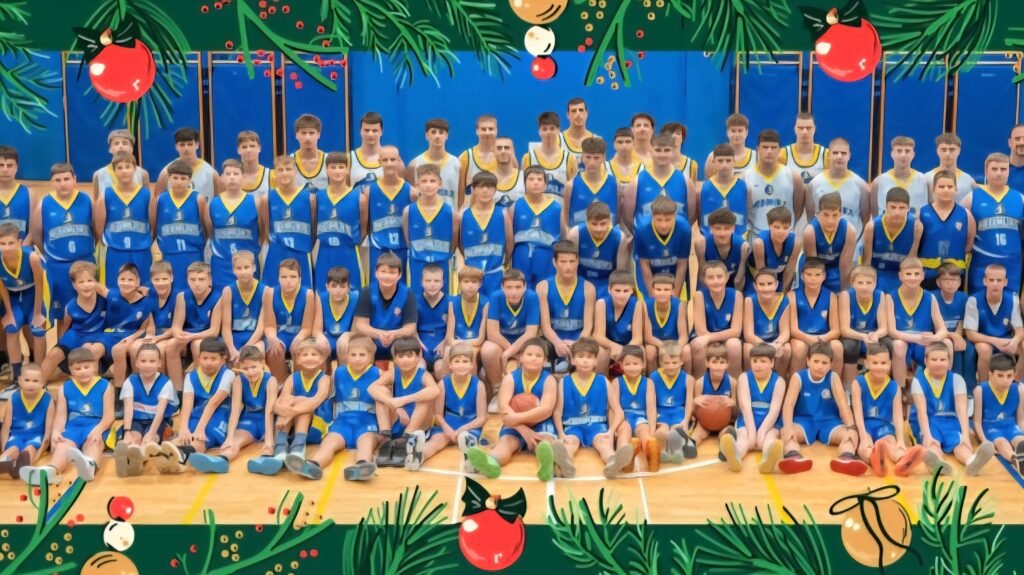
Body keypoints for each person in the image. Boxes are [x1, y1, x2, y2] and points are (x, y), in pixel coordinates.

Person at [464, 338, 558, 480]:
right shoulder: (510, 378)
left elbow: (546, 410)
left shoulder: (549, 380)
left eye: (538, 356)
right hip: (515, 424)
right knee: (506, 443)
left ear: (545, 361)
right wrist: (522, 428)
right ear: (521, 358)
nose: (533, 358)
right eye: (529, 354)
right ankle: (491, 462)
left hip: (539, 421)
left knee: (545, 442)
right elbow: (504, 408)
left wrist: (516, 419)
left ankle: (546, 466)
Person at [20, 349, 114, 485]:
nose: (82, 371)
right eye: (78, 369)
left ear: (95, 367)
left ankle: (89, 466)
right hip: (74, 426)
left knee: (95, 443)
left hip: (97, 424)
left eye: (86, 367)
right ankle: (50, 471)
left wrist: (98, 430)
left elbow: (109, 416)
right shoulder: (64, 388)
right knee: (62, 445)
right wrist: (56, 431)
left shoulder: (105, 386)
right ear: (70, 370)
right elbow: (61, 416)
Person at [294, 335, 382, 481]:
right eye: (353, 354)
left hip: (367, 423)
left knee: (366, 443)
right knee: (328, 443)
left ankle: (362, 466)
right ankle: (313, 464)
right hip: (342, 422)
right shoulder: (338, 373)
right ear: (346, 355)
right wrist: (321, 424)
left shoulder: (378, 374)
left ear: (371, 357)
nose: (357, 358)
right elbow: (327, 400)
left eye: (362, 355)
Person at [550, 338, 634, 478]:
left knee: (604, 444)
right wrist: (561, 433)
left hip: (597, 426)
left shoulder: (603, 381)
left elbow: (618, 410)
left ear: (596, 361)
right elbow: (557, 412)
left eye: (589, 357)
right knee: (570, 443)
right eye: (581, 356)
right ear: (573, 360)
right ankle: (566, 463)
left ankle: (613, 463)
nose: (585, 361)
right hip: (573, 426)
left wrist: (611, 430)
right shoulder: (564, 382)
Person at [778, 342, 866, 475]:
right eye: (816, 361)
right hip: (804, 422)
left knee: (849, 434)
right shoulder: (798, 377)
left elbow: (843, 405)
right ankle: (793, 457)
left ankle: (847, 458)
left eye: (824, 363)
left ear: (830, 364)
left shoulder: (833, 377)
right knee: (788, 433)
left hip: (829, 422)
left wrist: (851, 427)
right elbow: (788, 406)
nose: (820, 366)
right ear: (808, 361)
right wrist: (788, 426)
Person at [909, 343, 995, 476]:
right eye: (934, 359)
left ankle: (971, 461)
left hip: (949, 420)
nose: (939, 363)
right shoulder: (918, 381)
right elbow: (921, 412)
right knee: (933, 444)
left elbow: (962, 410)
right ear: (926, 361)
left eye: (942, 359)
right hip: (927, 421)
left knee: (960, 444)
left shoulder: (957, 379)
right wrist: (927, 436)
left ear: (949, 362)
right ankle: (936, 463)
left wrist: (965, 435)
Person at [32, 163, 95, 323]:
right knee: (63, 316)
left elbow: (97, 230)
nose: (62, 183)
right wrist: (50, 254)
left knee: (90, 310)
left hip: (85, 262)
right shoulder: (44, 204)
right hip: (57, 266)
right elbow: (37, 236)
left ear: (75, 179)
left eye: (66, 179)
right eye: (58, 180)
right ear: (51, 182)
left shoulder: (87, 200)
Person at [852, 344, 925, 476]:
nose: (879, 367)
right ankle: (875, 460)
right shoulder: (858, 383)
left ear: (890, 364)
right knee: (865, 446)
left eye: (883, 363)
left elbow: (898, 416)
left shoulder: (894, 387)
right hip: (865, 426)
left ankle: (903, 461)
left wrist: (901, 441)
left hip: (884, 426)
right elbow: (857, 413)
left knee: (891, 444)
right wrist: (862, 436)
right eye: (875, 363)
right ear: (866, 364)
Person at [368, 337, 440, 468]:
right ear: (395, 359)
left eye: (409, 355)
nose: (405, 360)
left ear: (418, 357)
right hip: (399, 419)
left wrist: (403, 400)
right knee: (381, 392)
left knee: (425, 397)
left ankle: (408, 437)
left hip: (419, 423)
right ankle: (385, 437)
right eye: (401, 356)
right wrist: (391, 402)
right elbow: (371, 388)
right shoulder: (394, 373)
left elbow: (435, 391)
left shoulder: (423, 374)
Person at [418, 342, 487, 471]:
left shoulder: (479, 385)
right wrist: (447, 429)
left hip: (469, 425)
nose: (461, 365)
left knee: (466, 438)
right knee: (436, 441)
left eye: (465, 361)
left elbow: (481, 418)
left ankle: (472, 460)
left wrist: (461, 430)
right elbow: (438, 415)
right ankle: (418, 456)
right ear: (450, 364)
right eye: (457, 361)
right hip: (447, 424)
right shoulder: (443, 384)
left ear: (472, 365)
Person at [719, 343, 784, 474]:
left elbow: (775, 410)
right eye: (754, 361)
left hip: (770, 421)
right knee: (744, 437)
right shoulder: (744, 378)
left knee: (769, 438)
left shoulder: (779, 381)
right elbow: (745, 407)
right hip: (748, 419)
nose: (758, 365)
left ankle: (768, 460)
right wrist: (752, 432)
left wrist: (762, 432)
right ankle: (735, 457)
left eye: (763, 361)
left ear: (772, 363)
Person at [114, 344, 177, 476]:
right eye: (143, 361)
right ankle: (127, 457)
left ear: (159, 363)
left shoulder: (166, 383)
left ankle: (139, 461)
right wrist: (127, 432)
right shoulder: (130, 382)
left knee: (149, 442)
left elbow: (160, 413)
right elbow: (128, 409)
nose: (147, 365)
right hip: (136, 421)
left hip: (157, 422)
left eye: (152, 361)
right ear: (136, 363)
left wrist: (151, 433)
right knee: (133, 439)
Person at [171, 338, 234, 467]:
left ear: (223, 359)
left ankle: (181, 457)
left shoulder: (228, 374)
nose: (208, 362)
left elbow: (214, 403)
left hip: (218, 416)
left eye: (213, 359)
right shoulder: (190, 376)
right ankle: (162, 454)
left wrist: (200, 429)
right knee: (182, 438)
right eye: (205, 358)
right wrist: (183, 427)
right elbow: (187, 403)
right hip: (197, 415)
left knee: (199, 440)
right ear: (199, 358)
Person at [888, 257, 950, 387]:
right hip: (904, 341)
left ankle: (942, 387)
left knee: (947, 343)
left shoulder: (930, 297)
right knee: (898, 345)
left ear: (923, 276)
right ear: (900, 276)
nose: (913, 277)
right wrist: (917, 338)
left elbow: (943, 329)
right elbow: (892, 331)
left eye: (917, 274)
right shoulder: (890, 297)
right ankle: (899, 389)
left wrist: (934, 338)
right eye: (908, 274)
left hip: (924, 343)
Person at [964, 153, 1023, 292]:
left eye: (1003, 169)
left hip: (1012, 264)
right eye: (994, 169)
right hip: (981, 262)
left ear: (1008, 171)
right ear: (986, 171)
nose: (999, 173)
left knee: (1010, 303)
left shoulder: (1020, 198)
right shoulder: (972, 197)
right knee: (978, 301)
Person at [40, 262, 107, 382]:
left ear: (96, 282)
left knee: (91, 353)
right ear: (74, 285)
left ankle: (93, 387)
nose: (86, 285)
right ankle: (37, 386)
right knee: (53, 354)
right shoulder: (70, 306)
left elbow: (121, 304)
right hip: (77, 334)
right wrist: (60, 347)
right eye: (81, 282)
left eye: (90, 280)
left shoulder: (105, 300)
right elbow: (65, 327)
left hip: (99, 336)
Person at [273, 340, 332, 476]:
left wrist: (291, 412)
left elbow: (315, 402)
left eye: (313, 354)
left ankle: (298, 449)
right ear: (297, 359)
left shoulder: (325, 379)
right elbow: (279, 403)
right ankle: (281, 448)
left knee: (301, 403)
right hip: (292, 420)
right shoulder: (293, 377)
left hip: (316, 422)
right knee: (287, 400)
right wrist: (284, 408)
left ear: (322, 359)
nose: (309, 357)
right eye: (305, 355)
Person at [481, 269, 540, 403]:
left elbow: (531, 333)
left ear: (525, 286)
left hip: (525, 342)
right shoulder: (496, 297)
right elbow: (492, 333)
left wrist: (510, 352)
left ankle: (525, 394)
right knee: (488, 350)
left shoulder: (532, 297)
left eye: (518, 287)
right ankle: (497, 390)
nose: (514, 292)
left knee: (534, 350)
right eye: (509, 287)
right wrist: (510, 350)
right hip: (501, 342)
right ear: (502, 287)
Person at [96, 151, 153, 289]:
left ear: (135, 169)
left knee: (143, 288)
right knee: (115, 288)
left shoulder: (147, 194)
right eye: (120, 168)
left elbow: (153, 225)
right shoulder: (105, 195)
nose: (124, 171)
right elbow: (99, 229)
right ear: (114, 171)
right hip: (115, 250)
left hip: (141, 249)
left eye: (128, 167)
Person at [537, 241, 596, 369]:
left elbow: (588, 326)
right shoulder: (543, 287)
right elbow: (545, 326)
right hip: (552, 340)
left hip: (579, 339)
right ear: (554, 262)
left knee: (599, 352)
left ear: (578, 261)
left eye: (572, 261)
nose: (568, 266)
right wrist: (557, 343)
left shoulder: (588, 288)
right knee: (536, 350)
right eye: (563, 262)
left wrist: (577, 344)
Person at [208, 159, 264, 290]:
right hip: (221, 265)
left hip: (248, 266)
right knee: (222, 300)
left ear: (243, 177)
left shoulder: (256, 202)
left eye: (236, 173)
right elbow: (208, 232)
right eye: (228, 174)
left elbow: (263, 233)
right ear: (221, 178)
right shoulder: (212, 204)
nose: (232, 177)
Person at [152, 159, 206, 293]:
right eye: (175, 178)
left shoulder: (198, 199)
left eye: (183, 178)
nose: (179, 182)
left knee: (195, 290)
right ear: (169, 178)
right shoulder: (160, 199)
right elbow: (153, 228)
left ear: (189, 181)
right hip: (169, 255)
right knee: (171, 292)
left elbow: (206, 228)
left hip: (194, 254)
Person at [0, 222, 45, 379]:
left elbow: (40, 286)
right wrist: (9, 313)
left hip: (34, 295)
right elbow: (2, 290)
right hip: (12, 296)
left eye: (11, 243)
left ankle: (39, 374)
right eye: (2, 244)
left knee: (38, 329)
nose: (7, 247)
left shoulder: (32, 257)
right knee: (11, 328)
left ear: (19, 242)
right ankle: (17, 376)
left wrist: (38, 313)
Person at [262, 156, 314, 290]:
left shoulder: (310, 198)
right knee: (272, 292)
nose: (285, 173)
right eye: (280, 170)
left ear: (295, 171)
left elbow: (314, 230)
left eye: (288, 169)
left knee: (304, 293)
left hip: (301, 253)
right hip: (276, 252)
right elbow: (265, 230)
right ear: (275, 173)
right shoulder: (267, 198)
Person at [353, 253, 418, 361]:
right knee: (353, 345)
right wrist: (379, 334)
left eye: (392, 273)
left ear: (399, 275)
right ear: (376, 273)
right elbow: (360, 325)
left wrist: (393, 335)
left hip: (397, 340)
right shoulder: (367, 292)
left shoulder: (408, 293)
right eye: (383, 271)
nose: (387, 276)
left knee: (408, 350)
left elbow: (410, 328)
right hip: (372, 338)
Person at [964, 264, 1023, 382]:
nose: (995, 284)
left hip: (1005, 339)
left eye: (999, 280)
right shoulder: (973, 300)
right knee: (985, 350)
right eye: (991, 280)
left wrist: (1015, 341)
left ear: (1005, 282)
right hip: (984, 339)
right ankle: (984, 386)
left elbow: (1020, 330)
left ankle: (1015, 383)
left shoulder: (1013, 300)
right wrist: (996, 341)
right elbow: (970, 334)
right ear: (984, 281)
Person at [168, 262, 223, 386]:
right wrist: (178, 334)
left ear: (209, 280)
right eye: (192, 280)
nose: (196, 283)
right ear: (187, 280)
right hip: (188, 334)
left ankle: (200, 386)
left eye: (201, 279)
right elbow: (176, 326)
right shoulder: (182, 296)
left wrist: (191, 336)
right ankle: (178, 389)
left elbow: (214, 331)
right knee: (171, 345)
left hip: (209, 336)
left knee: (197, 344)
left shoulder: (218, 298)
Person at [315, 152, 364, 288]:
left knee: (352, 292)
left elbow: (364, 227)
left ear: (348, 170)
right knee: (322, 293)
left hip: (349, 252)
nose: (337, 171)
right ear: (326, 170)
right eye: (333, 167)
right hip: (324, 253)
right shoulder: (317, 197)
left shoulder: (359, 197)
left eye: (341, 167)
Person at [457, 171, 510, 297]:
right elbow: (458, 244)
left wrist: (504, 263)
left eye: (489, 186)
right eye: (481, 186)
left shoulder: (503, 214)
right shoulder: (462, 215)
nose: (485, 190)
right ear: (473, 189)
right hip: (471, 278)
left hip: (495, 275)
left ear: (495, 190)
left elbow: (509, 245)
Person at [622, 134, 691, 231]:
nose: (662, 154)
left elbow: (692, 216)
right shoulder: (636, 182)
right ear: (651, 151)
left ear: (673, 152)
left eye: (667, 150)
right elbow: (628, 218)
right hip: (645, 238)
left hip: (677, 238)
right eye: (658, 150)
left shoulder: (686, 181)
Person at [102, 263, 156, 387]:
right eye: (122, 279)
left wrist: (133, 338)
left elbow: (146, 327)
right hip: (113, 334)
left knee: (122, 349)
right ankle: (119, 388)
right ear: (117, 280)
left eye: (130, 280)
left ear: (138, 282)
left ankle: (138, 386)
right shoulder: (112, 294)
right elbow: (97, 287)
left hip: (136, 335)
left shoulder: (146, 301)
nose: (126, 283)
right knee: (113, 350)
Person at [919, 169, 974, 290]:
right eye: (941, 186)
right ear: (933, 189)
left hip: (955, 274)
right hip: (927, 273)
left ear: (956, 189)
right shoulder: (922, 213)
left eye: (950, 187)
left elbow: (969, 245)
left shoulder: (966, 214)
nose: (945, 190)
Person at [789, 258, 844, 376]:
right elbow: (793, 329)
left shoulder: (832, 296)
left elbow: (836, 330)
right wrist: (809, 339)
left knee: (837, 347)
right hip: (801, 337)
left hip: (823, 337)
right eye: (809, 275)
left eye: (817, 275)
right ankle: (796, 382)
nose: (813, 278)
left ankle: (834, 383)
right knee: (799, 348)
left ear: (824, 276)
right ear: (802, 276)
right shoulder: (792, 295)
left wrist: (821, 339)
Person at [862, 187, 923, 292]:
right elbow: (867, 264)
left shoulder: (916, 227)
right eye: (893, 207)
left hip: (902, 275)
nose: (897, 212)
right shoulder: (871, 227)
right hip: (876, 273)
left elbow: (911, 263)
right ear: (885, 207)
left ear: (908, 208)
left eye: (902, 208)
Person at [807, 137, 870, 240]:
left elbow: (866, 219)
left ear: (849, 156)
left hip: (852, 243)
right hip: (821, 244)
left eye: (843, 153)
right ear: (829, 155)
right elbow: (810, 217)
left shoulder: (861, 186)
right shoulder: (814, 184)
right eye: (835, 153)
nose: (839, 156)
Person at [404, 163, 454, 293]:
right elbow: (408, 241)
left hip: (442, 262)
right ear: (417, 185)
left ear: (440, 184)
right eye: (424, 181)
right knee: (416, 298)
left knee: (442, 298)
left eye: (432, 181)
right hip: (417, 262)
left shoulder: (450, 212)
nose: (428, 185)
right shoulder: (409, 211)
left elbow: (454, 243)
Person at [973, 353, 1024, 476]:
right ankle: (1015, 460)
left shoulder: (1019, 389)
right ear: (990, 374)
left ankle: (1020, 456)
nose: (1005, 380)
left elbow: (1021, 419)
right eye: (1000, 375)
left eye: (1009, 376)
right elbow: (977, 422)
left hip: (1011, 426)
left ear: (1014, 375)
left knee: (1020, 440)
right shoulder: (980, 390)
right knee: (1002, 443)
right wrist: (985, 441)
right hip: (991, 428)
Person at [745, 129, 803, 236]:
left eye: (773, 147)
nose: (769, 151)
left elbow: (798, 211)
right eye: (765, 147)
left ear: (779, 150)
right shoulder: (745, 178)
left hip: (784, 236)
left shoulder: (794, 177)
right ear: (758, 149)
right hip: (755, 235)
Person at [265, 259, 316, 383]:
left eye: (293, 277)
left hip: (300, 334)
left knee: (302, 348)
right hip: (280, 335)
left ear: (300, 278)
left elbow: (307, 327)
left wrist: (299, 339)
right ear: (278, 278)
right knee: (274, 350)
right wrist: (272, 338)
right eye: (284, 277)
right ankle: (280, 383)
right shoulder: (270, 293)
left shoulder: (308, 295)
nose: (288, 281)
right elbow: (269, 326)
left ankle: (300, 383)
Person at [839, 266, 891, 385]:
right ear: (852, 283)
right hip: (854, 337)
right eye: (860, 283)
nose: (864, 287)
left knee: (889, 344)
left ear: (875, 284)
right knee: (849, 346)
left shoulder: (880, 295)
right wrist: (863, 337)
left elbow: (884, 328)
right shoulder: (846, 296)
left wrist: (876, 335)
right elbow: (845, 330)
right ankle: (848, 387)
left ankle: (885, 385)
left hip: (872, 336)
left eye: (868, 283)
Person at [691, 261, 743, 378]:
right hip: (705, 335)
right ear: (704, 280)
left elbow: (736, 331)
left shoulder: (737, 295)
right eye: (710, 277)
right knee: (699, 345)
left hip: (726, 338)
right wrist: (708, 339)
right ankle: (701, 383)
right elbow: (701, 331)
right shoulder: (699, 295)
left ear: (727, 277)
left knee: (734, 345)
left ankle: (733, 383)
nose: (715, 281)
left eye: (719, 277)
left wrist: (709, 337)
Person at [510, 166, 561, 286]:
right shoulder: (515, 207)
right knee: (521, 290)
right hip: (521, 255)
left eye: (539, 179)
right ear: (524, 183)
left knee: (545, 289)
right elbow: (509, 238)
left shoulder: (557, 208)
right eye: (531, 179)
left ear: (546, 184)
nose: (535, 183)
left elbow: (562, 237)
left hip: (547, 256)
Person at [611, 345, 659, 472]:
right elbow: (613, 408)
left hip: (641, 418)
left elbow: (651, 408)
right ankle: (624, 456)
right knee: (624, 432)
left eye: (635, 363)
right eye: (628, 364)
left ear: (643, 364)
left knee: (644, 431)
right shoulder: (616, 382)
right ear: (621, 365)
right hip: (623, 418)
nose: (632, 367)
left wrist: (652, 429)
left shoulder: (648, 382)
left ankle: (651, 450)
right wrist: (613, 428)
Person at [0, 364, 52, 479]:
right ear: (20, 381)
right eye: (27, 380)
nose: (30, 384)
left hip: (35, 438)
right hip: (16, 436)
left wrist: (39, 453)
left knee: (29, 450)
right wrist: (4, 448)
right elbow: (6, 426)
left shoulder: (48, 399)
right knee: (12, 449)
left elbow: (48, 431)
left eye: (35, 381)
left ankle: (22, 468)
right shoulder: (13, 397)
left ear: (42, 383)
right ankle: (4, 463)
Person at [633, 196, 690, 300]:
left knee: (678, 305)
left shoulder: (684, 229)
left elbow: (682, 264)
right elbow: (644, 264)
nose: (663, 225)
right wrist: (652, 296)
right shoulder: (641, 229)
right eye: (659, 220)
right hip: (649, 271)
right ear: (652, 216)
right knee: (648, 304)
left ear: (675, 216)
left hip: (674, 271)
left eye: (668, 220)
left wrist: (674, 297)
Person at [367, 146, 412, 273]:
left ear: (399, 161)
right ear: (379, 162)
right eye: (385, 160)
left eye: (392, 159)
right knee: (377, 282)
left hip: (402, 247)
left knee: (401, 282)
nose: (389, 163)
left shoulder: (411, 191)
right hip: (378, 246)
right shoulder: (369, 191)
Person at [650, 341, 697, 462]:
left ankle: (676, 450)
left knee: (677, 429)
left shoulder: (688, 379)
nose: (671, 366)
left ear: (682, 361)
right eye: (667, 363)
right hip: (661, 411)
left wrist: (686, 420)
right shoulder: (653, 377)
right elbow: (651, 403)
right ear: (661, 362)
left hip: (678, 411)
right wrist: (652, 422)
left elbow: (689, 403)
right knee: (662, 429)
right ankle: (664, 450)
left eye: (674, 362)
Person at [566, 201, 626, 296]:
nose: (599, 229)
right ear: (587, 221)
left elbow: (620, 275)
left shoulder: (620, 238)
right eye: (594, 224)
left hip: (607, 286)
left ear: (610, 220)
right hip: (580, 282)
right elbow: (568, 267)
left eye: (603, 224)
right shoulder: (575, 234)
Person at [802, 192, 855, 293]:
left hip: (837, 269)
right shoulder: (810, 232)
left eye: (835, 215)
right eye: (826, 215)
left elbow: (845, 266)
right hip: (816, 269)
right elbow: (813, 268)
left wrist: (844, 294)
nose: (830, 221)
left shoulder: (849, 231)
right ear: (818, 214)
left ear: (841, 214)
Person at [221, 250, 268, 364]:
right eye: (239, 268)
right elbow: (226, 328)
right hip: (233, 337)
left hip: (255, 338)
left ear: (254, 268)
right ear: (233, 270)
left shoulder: (265, 291)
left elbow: (261, 328)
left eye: (246, 267)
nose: (243, 272)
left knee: (258, 350)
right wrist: (231, 349)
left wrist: (245, 349)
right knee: (221, 353)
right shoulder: (228, 291)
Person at [593, 270, 643, 373]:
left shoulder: (637, 304)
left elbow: (637, 338)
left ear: (632, 291)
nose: (621, 295)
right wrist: (613, 346)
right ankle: (602, 380)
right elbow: (598, 335)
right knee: (601, 353)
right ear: (609, 289)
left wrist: (625, 351)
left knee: (642, 351)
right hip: (608, 344)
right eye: (617, 290)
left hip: (628, 344)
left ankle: (639, 382)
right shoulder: (601, 304)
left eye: (626, 291)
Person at [744, 269, 792, 374]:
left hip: (775, 341)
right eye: (761, 284)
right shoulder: (750, 301)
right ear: (755, 286)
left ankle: (778, 378)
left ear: (776, 284)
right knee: (748, 348)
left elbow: (785, 332)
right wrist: (768, 347)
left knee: (787, 348)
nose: (766, 288)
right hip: (756, 342)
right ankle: (751, 378)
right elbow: (748, 335)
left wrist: (778, 344)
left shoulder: (783, 300)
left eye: (769, 284)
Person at [522, 111, 577, 201]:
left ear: (558, 130)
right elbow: (525, 190)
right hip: (536, 209)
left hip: (561, 209)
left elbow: (573, 191)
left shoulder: (569, 159)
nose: (548, 132)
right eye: (544, 129)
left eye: (552, 129)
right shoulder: (529, 158)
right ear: (539, 131)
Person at [564, 137, 617, 230]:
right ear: (582, 157)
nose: (592, 162)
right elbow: (564, 219)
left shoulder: (615, 185)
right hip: (579, 238)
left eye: (596, 158)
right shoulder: (571, 186)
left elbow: (619, 220)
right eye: (588, 157)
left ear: (604, 158)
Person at [689, 343, 736, 448]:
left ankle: (725, 448)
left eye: (722, 362)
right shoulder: (700, 383)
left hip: (723, 421)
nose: (718, 366)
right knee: (698, 433)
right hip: (704, 422)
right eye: (714, 362)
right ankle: (691, 445)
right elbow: (694, 410)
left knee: (726, 433)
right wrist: (696, 401)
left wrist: (732, 402)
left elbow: (736, 405)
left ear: (727, 364)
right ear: (707, 363)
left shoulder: (732, 382)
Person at [871, 136, 929, 216]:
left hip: (916, 223)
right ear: (892, 154)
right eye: (899, 151)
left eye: (907, 151)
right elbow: (874, 214)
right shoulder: (879, 181)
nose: (903, 155)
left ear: (913, 154)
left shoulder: (924, 180)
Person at [407, 118, 460, 206]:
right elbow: (412, 198)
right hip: (424, 213)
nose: (437, 136)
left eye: (441, 132)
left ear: (446, 136)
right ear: (427, 135)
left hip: (450, 214)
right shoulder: (414, 164)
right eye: (433, 132)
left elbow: (462, 197)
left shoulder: (457, 164)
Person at [746, 206, 798, 295]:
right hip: (758, 275)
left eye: (785, 227)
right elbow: (761, 274)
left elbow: (789, 270)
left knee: (786, 297)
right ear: (769, 226)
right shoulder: (759, 243)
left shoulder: (795, 242)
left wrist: (783, 294)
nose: (781, 232)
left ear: (790, 227)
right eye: (776, 227)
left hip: (780, 275)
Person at [153, 127, 218, 198]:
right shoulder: (166, 173)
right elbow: (156, 199)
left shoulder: (211, 173)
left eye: (190, 144)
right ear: (176, 147)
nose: (186, 148)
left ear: (197, 145)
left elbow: (220, 200)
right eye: (182, 145)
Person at [698, 144, 748, 237]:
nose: (724, 165)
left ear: (734, 162)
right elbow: (699, 219)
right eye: (720, 161)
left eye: (728, 161)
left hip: (738, 239)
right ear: (713, 162)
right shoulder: (704, 188)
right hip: (711, 240)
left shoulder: (744, 186)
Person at [643, 274, 689, 370]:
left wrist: (676, 347)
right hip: (654, 342)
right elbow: (648, 337)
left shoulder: (679, 305)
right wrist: (664, 347)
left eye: (666, 289)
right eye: (658, 289)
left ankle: (686, 377)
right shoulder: (645, 305)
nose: (662, 293)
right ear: (652, 290)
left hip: (674, 341)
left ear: (672, 291)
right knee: (650, 351)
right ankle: (653, 377)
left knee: (687, 351)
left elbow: (684, 336)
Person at [695, 208, 747, 290]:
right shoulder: (701, 244)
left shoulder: (743, 246)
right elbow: (702, 276)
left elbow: (739, 280)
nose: (722, 233)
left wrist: (735, 296)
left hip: (734, 285)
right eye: (718, 228)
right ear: (710, 228)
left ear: (733, 228)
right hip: (711, 283)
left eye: (727, 228)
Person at [314, 267, 357, 363]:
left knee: (344, 345)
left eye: (342, 286)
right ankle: (324, 371)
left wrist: (349, 334)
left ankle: (343, 371)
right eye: (334, 286)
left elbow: (357, 328)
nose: (338, 290)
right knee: (318, 345)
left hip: (349, 336)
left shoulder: (356, 298)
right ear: (327, 286)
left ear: (349, 287)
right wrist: (320, 336)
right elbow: (317, 330)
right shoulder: (320, 299)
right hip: (328, 336)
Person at [91, 130, 149, 199]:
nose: (121, 146)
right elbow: (96, 200)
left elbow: (146, 200)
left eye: (125, 143)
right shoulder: (99, 175)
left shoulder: (142, 174)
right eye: (116, 143)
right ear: (110, 149)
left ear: (132, 148)